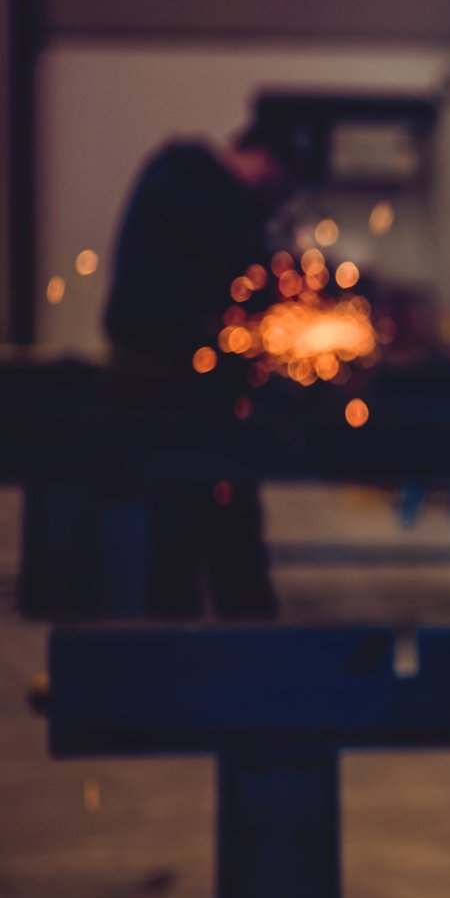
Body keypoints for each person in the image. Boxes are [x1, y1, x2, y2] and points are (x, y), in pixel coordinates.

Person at [101, 118, 303, 619]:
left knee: (218, 503)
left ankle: (225, 624)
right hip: (169, 382)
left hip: (191, 382)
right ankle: (197, 631)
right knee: (190, 509)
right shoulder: (191, 178)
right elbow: (225, 280)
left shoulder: (193, 184)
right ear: (261, 157)